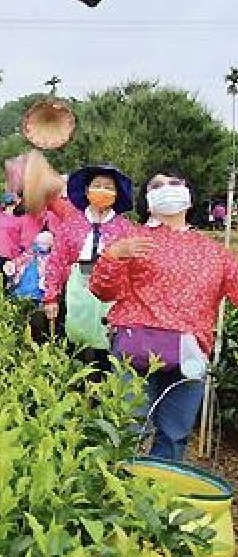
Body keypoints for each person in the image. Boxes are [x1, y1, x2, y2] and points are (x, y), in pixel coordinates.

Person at [90, 169, 238, 462]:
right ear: (147, 198)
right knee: (126, 431)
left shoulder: (215, 252)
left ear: (189, 195)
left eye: (174, 183)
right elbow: (103, 291)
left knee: (175, 435)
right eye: (157, 185)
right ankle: (116, 498)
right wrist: (113, 256)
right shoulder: (132, 239)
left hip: (190, 352)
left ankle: (157, 499)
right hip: (136, 347)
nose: (167, 188)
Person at [40, 164, 134, 357]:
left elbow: (132, 270)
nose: (102, 190)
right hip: (74, 291)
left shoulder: (126, 228)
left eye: (108, 187)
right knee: (73, 346)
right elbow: (57, 260)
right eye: (97, 185)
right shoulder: (72, 224)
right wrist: (51, 296)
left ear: (117, 194)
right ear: (87, 190)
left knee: (107, 348)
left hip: (110, 296)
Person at [10, 230, 53, 305]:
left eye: (43, 244)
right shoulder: (32, 251)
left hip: (39, 281)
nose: (40, 246)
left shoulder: (50, 256)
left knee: (36, 291)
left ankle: (34, 300)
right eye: (39, 243)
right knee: (25, 287)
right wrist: (13, 264)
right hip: (29, 275)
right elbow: (22, 258)